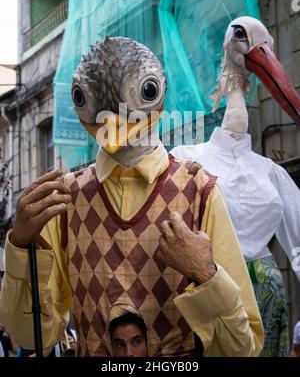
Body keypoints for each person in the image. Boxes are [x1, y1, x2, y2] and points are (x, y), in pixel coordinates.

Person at [0, 37, 263, 357]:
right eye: (85, 98)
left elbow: (242, 349)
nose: (114, 121)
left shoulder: (199, 192)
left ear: (160, 94)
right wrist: (22, 246)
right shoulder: (65, 203)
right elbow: (32, 335)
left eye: (146, 91)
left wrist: (206, 275)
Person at [171, 17, 300, 356]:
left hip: (270, 302)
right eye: (244, 37)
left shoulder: (273, 174)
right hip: (212, 291)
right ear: (231, 43)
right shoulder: (184, 160)